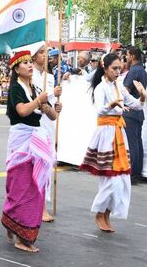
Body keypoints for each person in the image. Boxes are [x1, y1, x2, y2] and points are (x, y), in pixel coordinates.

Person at [79, 53, 145, 232]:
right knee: (110, 179)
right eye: (114, 68)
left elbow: (136, 105)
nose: (118, 72)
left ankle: (107, 213)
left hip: (118, 133)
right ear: (105, 68)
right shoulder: (101, 88)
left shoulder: (119, 87)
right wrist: (112, 105)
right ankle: (100, 213)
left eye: (119, 68)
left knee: (122, 180)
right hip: (106, 134)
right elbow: (99, 111)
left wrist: (143, 96)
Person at [2, 50, 58, 253]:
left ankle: (16, 226)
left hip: (36, 139)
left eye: (29, 62)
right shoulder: (16, 88)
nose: (28, 65)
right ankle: (20, 235)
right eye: (24, 63)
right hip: (21, 140)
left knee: (35, 186)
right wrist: (38, 101)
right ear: (16, 69)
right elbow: (22, 111)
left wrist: (51, 107)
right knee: (21, 185)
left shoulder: (35, 88)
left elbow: (51, 116)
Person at [30, 44, 63, 223]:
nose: (45, 56)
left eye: (46, 52)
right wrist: (52, 92)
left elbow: (51, 104)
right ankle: (38, 205)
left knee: (47, 165)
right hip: (34, 125)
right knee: (36, 164)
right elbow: (38, 97)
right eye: (41, 52)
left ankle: (43, 203)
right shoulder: (30, 75)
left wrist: (58, 106)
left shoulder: (50, 77)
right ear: (34, 56)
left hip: (48, 124)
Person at [122, 46, 147, 185]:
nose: (126, 57)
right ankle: (136, 172)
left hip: (131, 111)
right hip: (139, 111)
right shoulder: (143, 71)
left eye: (127, 55)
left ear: (132, 56)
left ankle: (133, 174)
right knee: (137, 142)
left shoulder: (133, 71)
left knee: (132, 142)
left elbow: (125, 91)